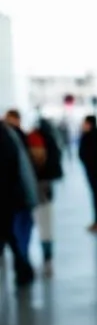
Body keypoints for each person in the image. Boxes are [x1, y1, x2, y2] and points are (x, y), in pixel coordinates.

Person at [0, 116, 37, 287]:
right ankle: (24, 269)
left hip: (8, 197)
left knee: (11, 236)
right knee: (12, 236)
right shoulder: (8, 134)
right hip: (11, 197)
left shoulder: (6, 136)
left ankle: (23, 269)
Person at [25, 114, 63, 276]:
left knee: (34, 224)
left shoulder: (31, 139)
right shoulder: (50, 140)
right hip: (44, 187)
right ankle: (47, 258)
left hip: (33, 187)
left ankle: (37, 258)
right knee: (45, 225)